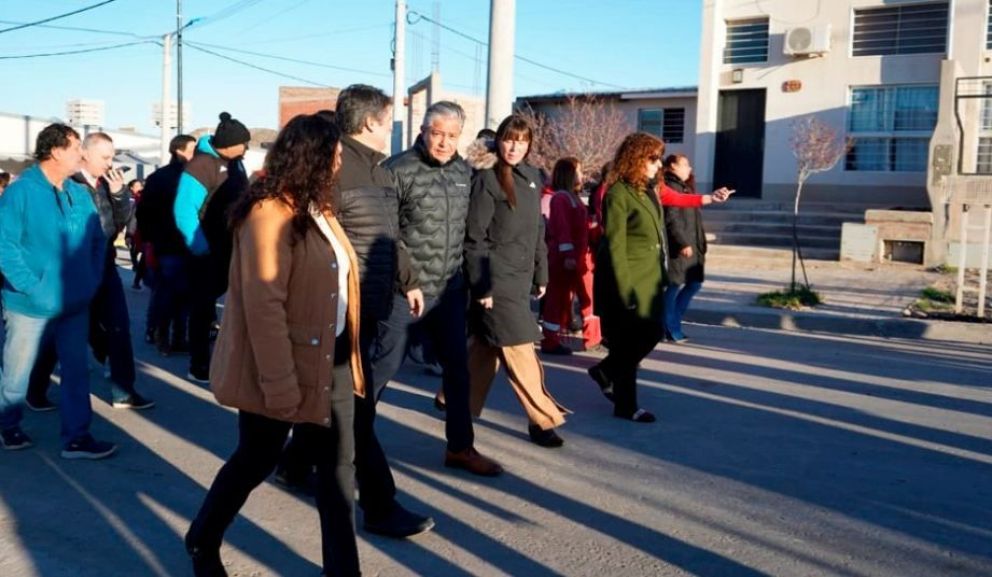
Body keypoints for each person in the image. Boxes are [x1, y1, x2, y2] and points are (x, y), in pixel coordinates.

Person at [185, 113, 363, 577]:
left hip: (332, 358)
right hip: (283, 361)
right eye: (335, 154)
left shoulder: (316, 206)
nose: (341, 161)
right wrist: (281, 385)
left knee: (338, 471)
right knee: (256, 459)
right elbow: (265, 308)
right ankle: (203, 538)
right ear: (311, 157)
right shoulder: (268, 213)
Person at [275, 86, 436, 538]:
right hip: (343, 308)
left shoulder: (378, 171)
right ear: (369, 124)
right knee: (355, 411)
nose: (391, 129)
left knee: (343, 405)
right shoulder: (335, 168)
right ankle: (380, 506)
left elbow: (390, 235)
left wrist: (410, 280)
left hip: (377, 300)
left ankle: (290, 465)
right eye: (388, 122)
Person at [375, 100, 505, 484]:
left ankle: (460, 447)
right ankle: (344, 447)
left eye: (452, 136)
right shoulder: (396, 170)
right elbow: (384, 233)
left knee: (458, 372)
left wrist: (477, 283)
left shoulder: (463, 173)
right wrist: (407, 280)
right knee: (381, 368)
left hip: (448, 289)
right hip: (404, 291)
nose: (444, 143)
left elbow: (470, 233)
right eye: (438, 134)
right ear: (423, 131)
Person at [590, 133, 727, 423]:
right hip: (629, 280)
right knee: (632, 340)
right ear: (636, 159)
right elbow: (614, 246)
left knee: (649, 334)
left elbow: (677, 198)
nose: (658, 165)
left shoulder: (649, 189)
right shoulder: (617, 194)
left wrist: (709, 198)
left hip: (650, 279)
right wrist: (625, 291)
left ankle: (606, 372)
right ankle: (626, 404)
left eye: (659, 159)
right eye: (653, 159)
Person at [0, 123, 116, 458]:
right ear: (54, 151)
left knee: (76, 371)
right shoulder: (21, 192)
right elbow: (4, 245)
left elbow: (97, 238)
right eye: (75, 146)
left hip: (75, 301)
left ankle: (77, 437)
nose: (81, 153)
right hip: (29, 304)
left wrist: (91, 278)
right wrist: (30, 286)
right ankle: (9, 426)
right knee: (18, 371)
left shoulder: (78, 192)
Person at [27, 132, 154, 411]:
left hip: (104, 266)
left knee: (119, 327)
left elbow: (117, 226)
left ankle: (123, 390)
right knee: (56, 334)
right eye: (105, 157)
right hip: (73, 270)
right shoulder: (69, 183)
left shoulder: (106, 184)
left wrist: (120, 196)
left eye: (112, 157)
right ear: (85, 154)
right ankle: (35, 389)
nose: (110, 164)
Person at [465, 115, 568, 448]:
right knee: (520, 347)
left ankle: (455, 401)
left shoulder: (532, 177)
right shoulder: (487, 179)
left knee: (487, 346)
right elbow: (475, 237)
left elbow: (538, 229)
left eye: (522, 141)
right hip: (496, 279)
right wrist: (482, 285)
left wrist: (542, 273)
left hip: (521, 277)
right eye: (509, 139)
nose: (514, 147)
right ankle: (543, 419)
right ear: (499, 140)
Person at [174, 112, 251, 383]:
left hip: (232, 248)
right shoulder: (201, 166)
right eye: (244, 143)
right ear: (230, 144)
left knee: (232, 307)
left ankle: (229, 359)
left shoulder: (236, 164)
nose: (247, 148)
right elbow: (184, 211)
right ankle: (199, 364)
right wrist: (201, 248)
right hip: (207, 251)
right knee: (203, 310)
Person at [137, 134, 196, 355]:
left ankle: (164, 335)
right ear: (180, 151)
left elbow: (143, 212)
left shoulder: (157, 177)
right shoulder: (188, 178)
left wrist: (152, 239)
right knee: (177, 295)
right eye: (192, 149)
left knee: (169, 293)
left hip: (166, 245)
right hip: (178, 245)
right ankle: (171, 337)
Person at [540, 157, 602, 355]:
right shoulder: (561, 198)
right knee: (558, 299)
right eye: (578, 171)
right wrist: (567, 254)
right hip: (565, 259)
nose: (582, 175)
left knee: (585, 297)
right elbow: (562, 229)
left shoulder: (572, 198)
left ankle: (591, 338)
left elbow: (579, 227)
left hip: (578, 256)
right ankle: (551, 341)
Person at [663, 154, 707, 343]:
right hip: (680, 248)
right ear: (672, 166)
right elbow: (671, 218)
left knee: (693, 284)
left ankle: (672, 323)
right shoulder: (671, 187)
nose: (689, 168)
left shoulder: (684, 187)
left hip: (693, 246)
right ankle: (670, 328)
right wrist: (682, 242)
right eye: (685, 164)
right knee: (673, 286)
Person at [124, 179, 146, 289]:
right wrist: (129, 233)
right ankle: (135, 267)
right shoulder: (132, 199)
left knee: (144, 255)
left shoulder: (144, 197)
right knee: (136, 250)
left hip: (144, 231)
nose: (140, 187)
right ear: (131, 188)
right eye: (137, 185)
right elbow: (131, 218)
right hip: (137, 231)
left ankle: (137, 278)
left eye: (140, 185)